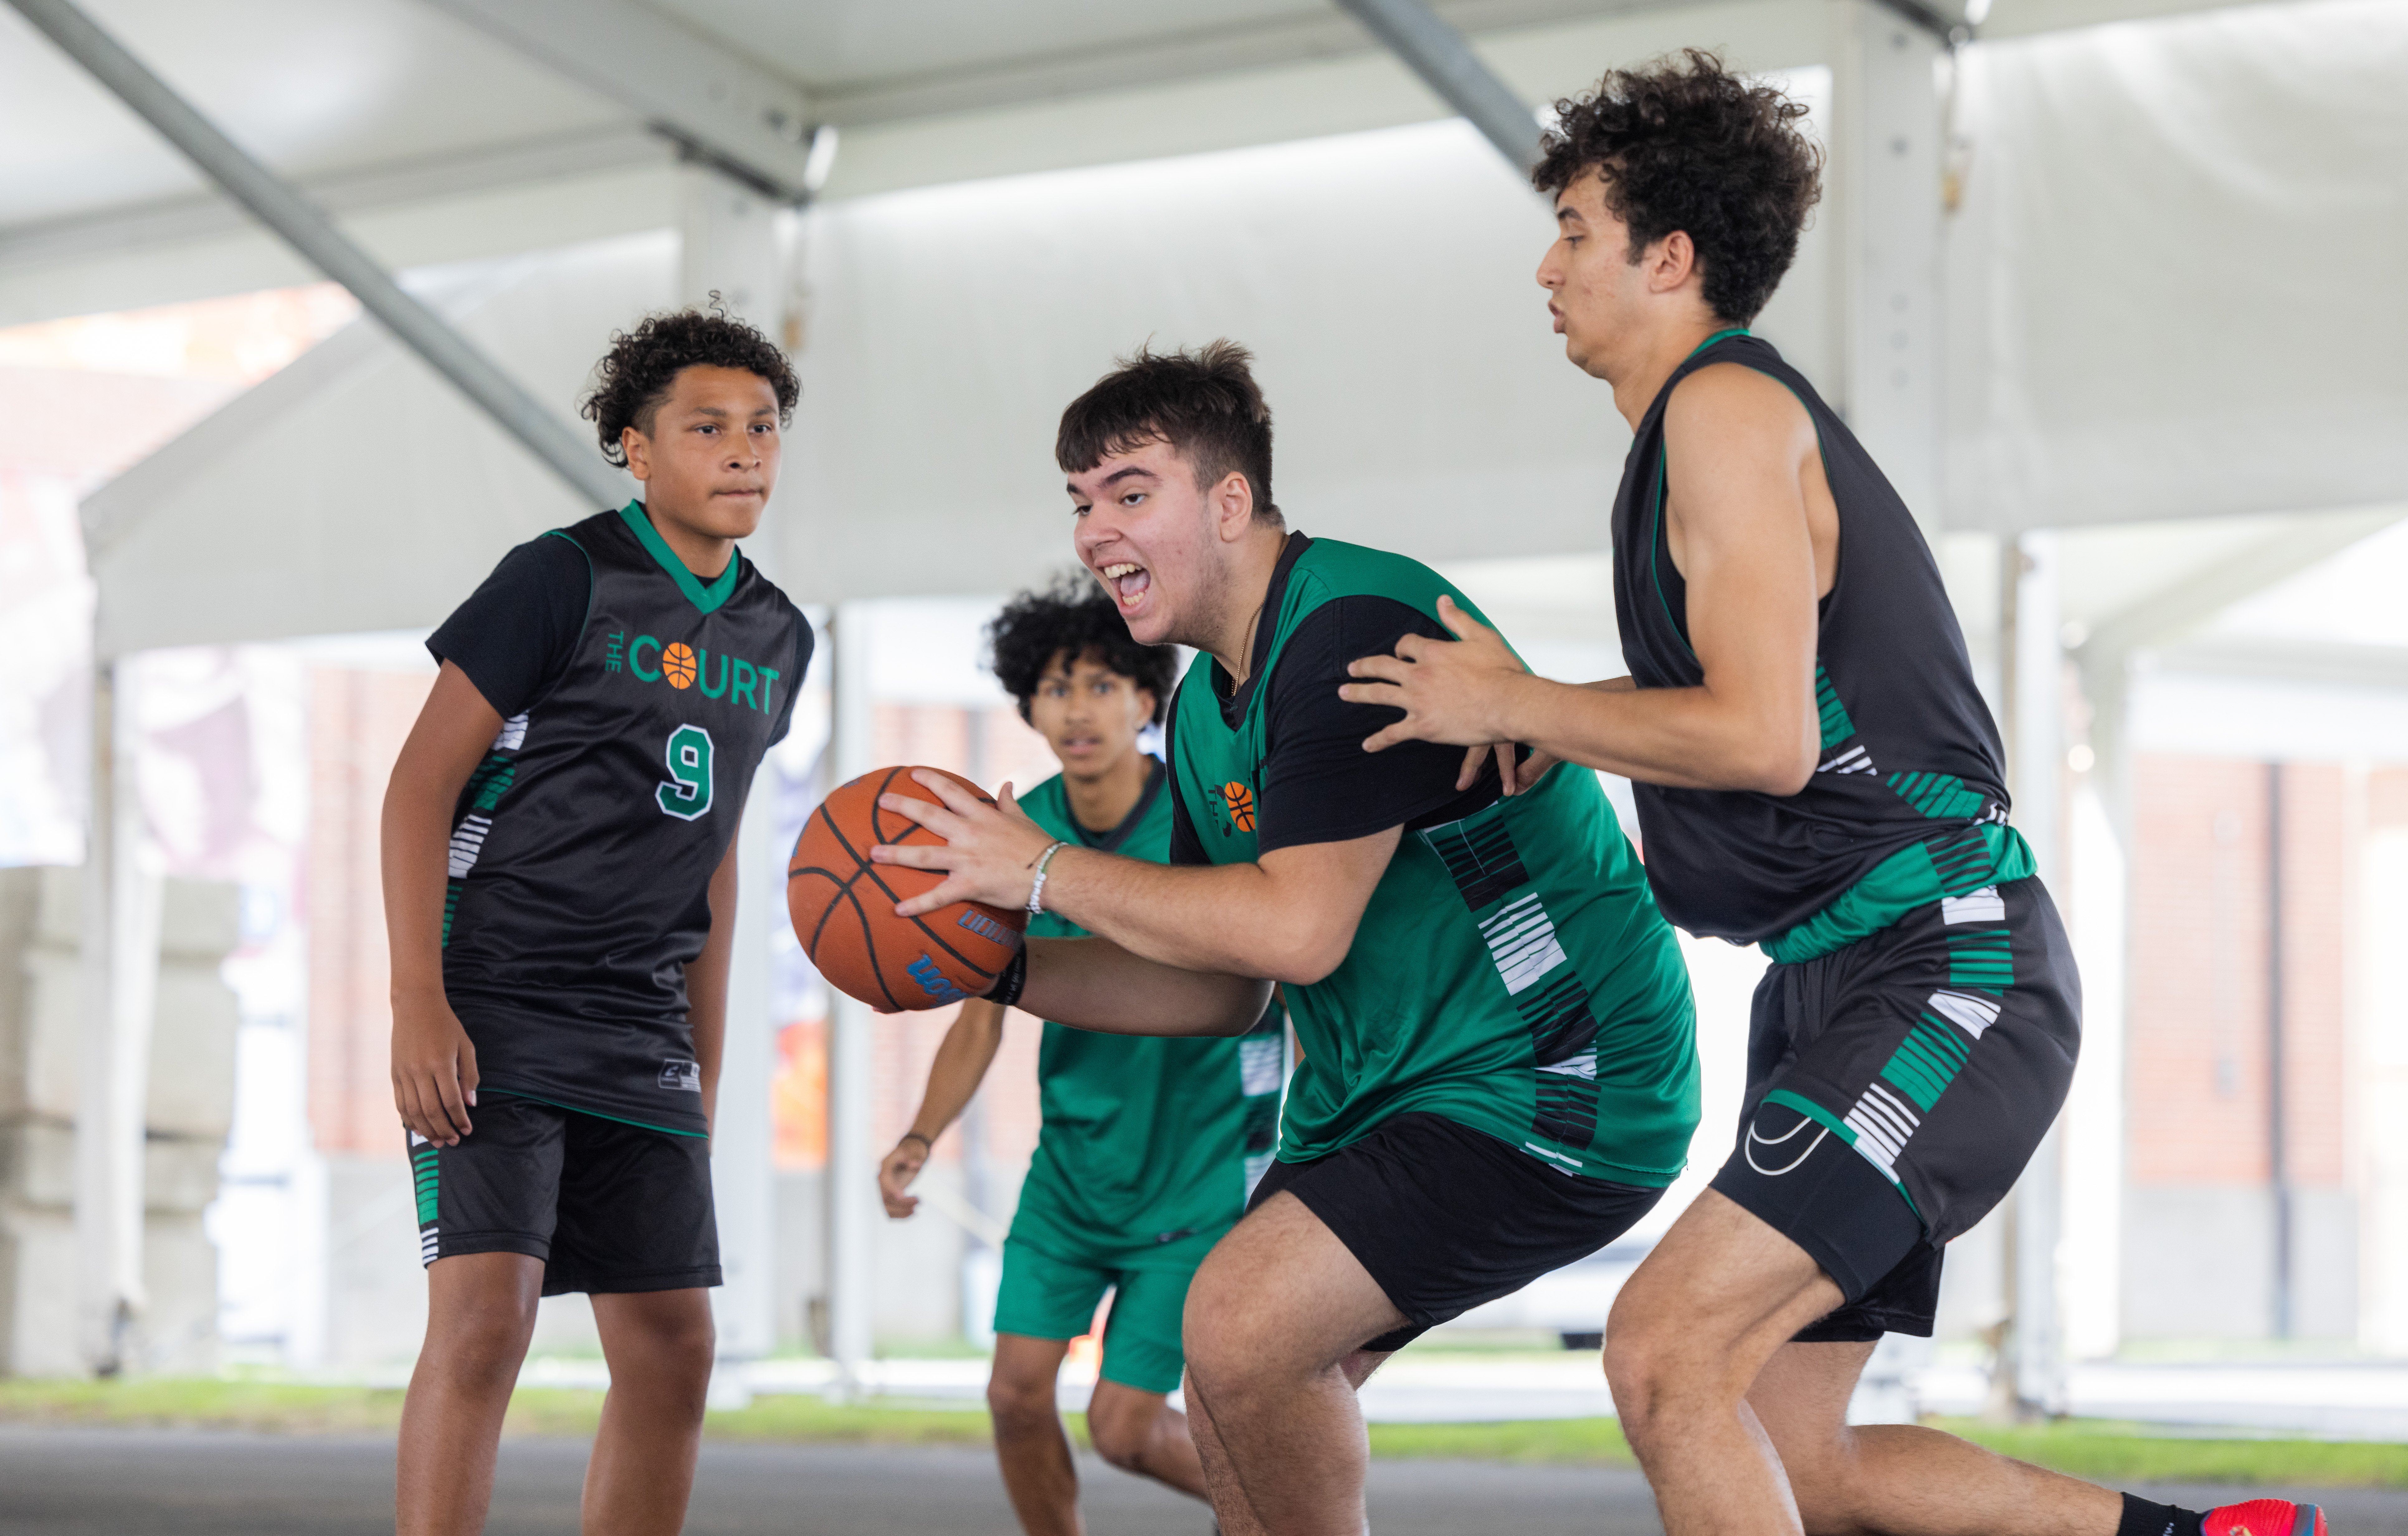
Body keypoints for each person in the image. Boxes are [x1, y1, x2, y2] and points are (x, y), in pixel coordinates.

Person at [1337, 51, 2325, 1536]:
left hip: (1945, 968)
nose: (1545, 267)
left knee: (1666, 1356)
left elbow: (1763, 737)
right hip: (1838, 980)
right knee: (1794, 1456)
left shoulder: (1722, 416)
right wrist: (1558, 726)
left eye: (1576, 233)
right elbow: (1745, 712)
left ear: (1668, 258)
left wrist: (1518, 702)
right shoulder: (1696, 435)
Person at [869, 341, 1700, 1535]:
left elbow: (1299, 932)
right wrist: (999, 963)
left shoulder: (1353, 629)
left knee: (1240, 1321)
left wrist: (1040, 869)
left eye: (1130, 492)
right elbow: (1226, 987)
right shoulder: (1207, 701)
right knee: (1229, 1396)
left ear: (1229, 502)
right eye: (1081, 502)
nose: (1096, 532)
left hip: (1555, 1073)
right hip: (1386, 1095)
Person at [382, 307, 810, 1536]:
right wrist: (420, 998)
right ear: (634, 448)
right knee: (485, 1320)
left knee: (677, 1346)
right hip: (499, 997)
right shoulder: (558, 578)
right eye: (708, 427)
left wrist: (711, 1060)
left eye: (764, 429)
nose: (744, 453)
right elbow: (417, 790)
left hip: (644, 1022)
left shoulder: (781, 635)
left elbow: (716, 854)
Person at [878, 577, 1283, 1535]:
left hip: (1197, 1174)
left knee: (1127, 1426)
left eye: (1105, 684)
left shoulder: (1198, 820)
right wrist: (920, 1133)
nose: (1079, 707)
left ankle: (1291, 1518)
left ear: (1148, 698)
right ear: (1029, 704)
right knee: (1015, 1395)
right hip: (1073, 1171)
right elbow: (984, 1005)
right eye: (1059, 687)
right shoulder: (1016, 837)